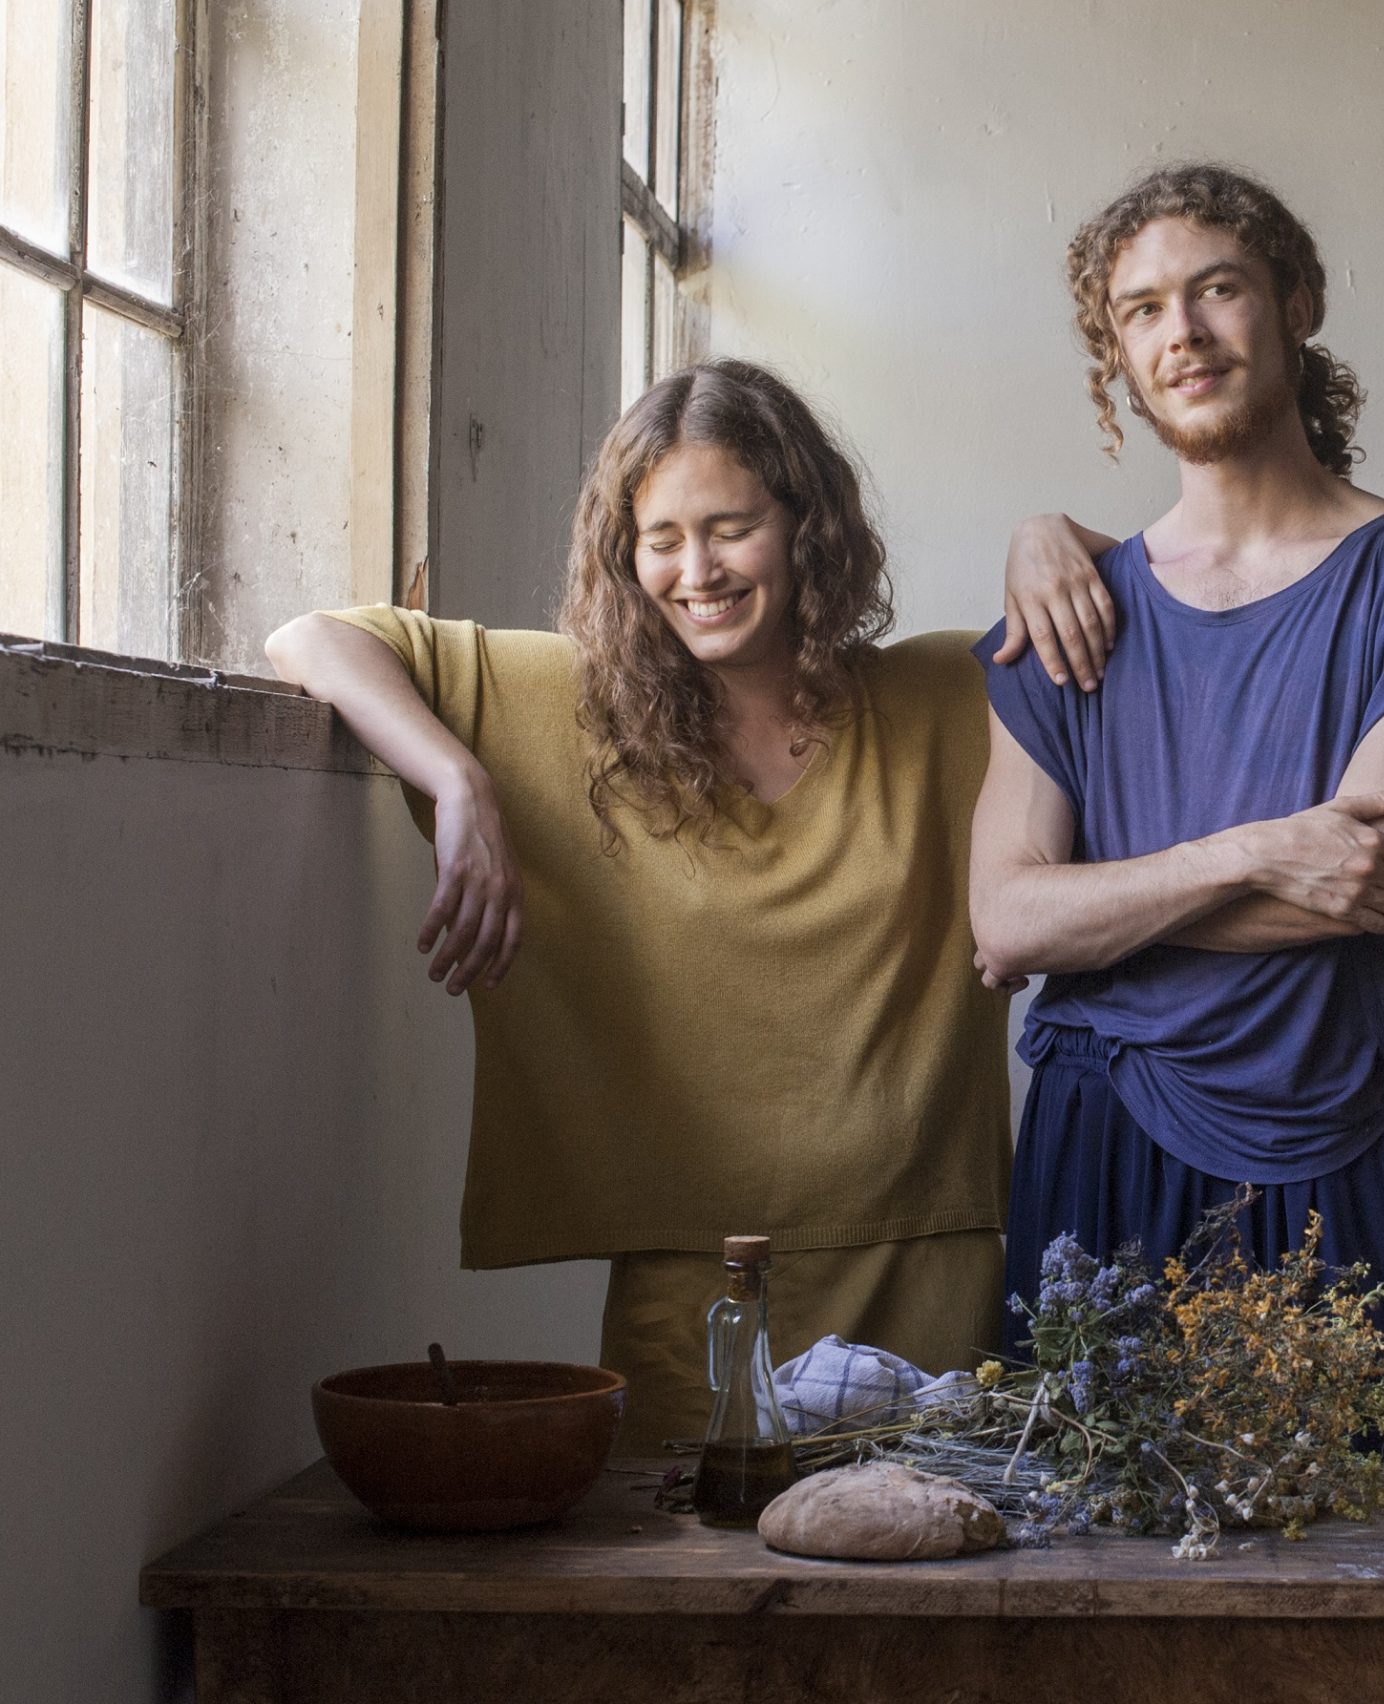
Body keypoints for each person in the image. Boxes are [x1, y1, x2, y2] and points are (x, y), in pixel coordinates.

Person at [266, 360, 1108, 1450]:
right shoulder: (577, 713)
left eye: (729, 527)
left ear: (808, 529)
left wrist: (1048, 533)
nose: (695, 569)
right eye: (660, 537)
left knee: (929, 1585)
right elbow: (311, 639)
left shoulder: (946, 694)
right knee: (691, 1589)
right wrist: (458, 779)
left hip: (930, 1258)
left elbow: (1146, 621)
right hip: (698, 1291)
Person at [970, 164, 1384, 1337]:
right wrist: (1251, 852)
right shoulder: (1064, 619)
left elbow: (1347, 885)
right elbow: (1007, 925)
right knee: (1076, 1523)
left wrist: (1098, 914)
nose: (1180, 333)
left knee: (1364, 1522)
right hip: (1090, 1147)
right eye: (1140, 310)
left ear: (1296, 304)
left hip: (1313, 1136)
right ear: (1118, 356)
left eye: (1216, 288)